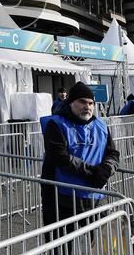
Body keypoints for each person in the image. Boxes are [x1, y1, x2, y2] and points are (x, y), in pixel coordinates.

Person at [41, 81, 120, 226]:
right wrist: (93, 173)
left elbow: (113, 154)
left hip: (96, 199)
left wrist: (106, 169)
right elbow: (60, 157)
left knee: (99, 246)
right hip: (62, 199)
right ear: (71, 103)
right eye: (82, 102)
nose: (87, 107)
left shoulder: (100, 125)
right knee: (61, 247)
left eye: (91, 103)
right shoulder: (56, 124)